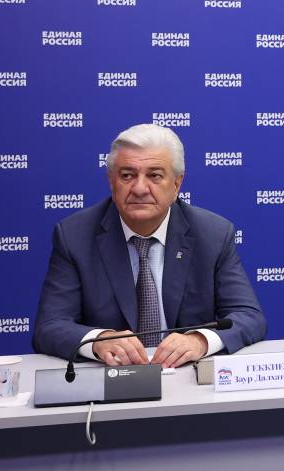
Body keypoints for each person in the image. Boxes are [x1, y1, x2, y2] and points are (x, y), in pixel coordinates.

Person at [33, 124, 266, 367]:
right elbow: (49, 327)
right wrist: (98, 340)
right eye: (127, 175)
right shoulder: (74, 236)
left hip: (186, 375)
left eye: (154, 176)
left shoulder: (213, 234)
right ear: (111, 182)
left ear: (176, 184)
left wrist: (200, 341)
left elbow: (249, 317)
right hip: (112, 376)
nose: (140, 189)